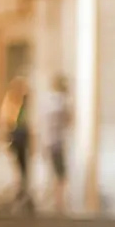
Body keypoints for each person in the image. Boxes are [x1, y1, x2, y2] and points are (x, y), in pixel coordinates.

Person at [0, 76, 33, 213]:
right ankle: (20, 188)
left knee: (22, 164)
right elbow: (8, 120)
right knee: (20, 164)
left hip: (21, 135)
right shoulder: (13, 101)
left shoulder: (21, 102)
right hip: (17, 135)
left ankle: (21, 188)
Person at [45, 74, 73, 214]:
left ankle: (57, 202)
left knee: (57, 174)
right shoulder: (61, 102)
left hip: (50, 142)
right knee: (60, 175)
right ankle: (59, 203)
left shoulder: (49, 100)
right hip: (57, 142)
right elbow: (68, 119)